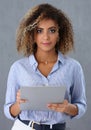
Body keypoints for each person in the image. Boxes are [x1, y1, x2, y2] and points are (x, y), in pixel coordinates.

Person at [4, 3, 87, 130]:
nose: (46, 37)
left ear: (59, 33)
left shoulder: (73, 67)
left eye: (52, 30)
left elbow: (81, 106)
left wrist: (67, 108)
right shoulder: (18, 68)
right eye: (39, 31)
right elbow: (8, 111)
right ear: (32, 35)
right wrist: (19, 104)